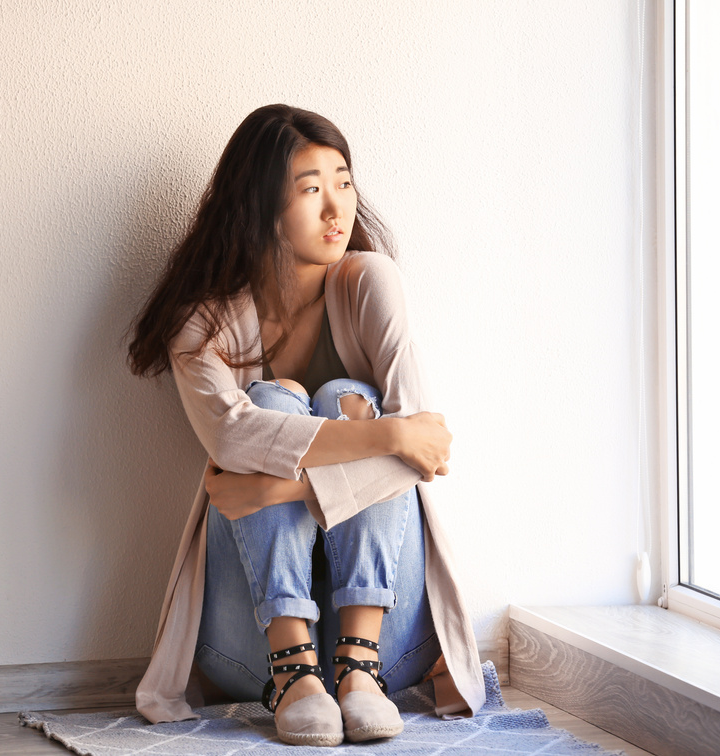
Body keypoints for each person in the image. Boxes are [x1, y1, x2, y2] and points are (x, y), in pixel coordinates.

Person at [127, 104, 485, 746]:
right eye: (311, 189)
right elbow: (237, 438)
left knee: (348, 395)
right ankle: (295, 672)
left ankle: (356, 668)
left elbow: (426, 449)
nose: (336, 209)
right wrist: (387, 436)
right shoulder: (205, 321)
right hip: (246, 651)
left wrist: (283, 488)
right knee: (275, 400)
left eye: (344, 183)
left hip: (390, 647)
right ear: (260, 205)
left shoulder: (370, 283)